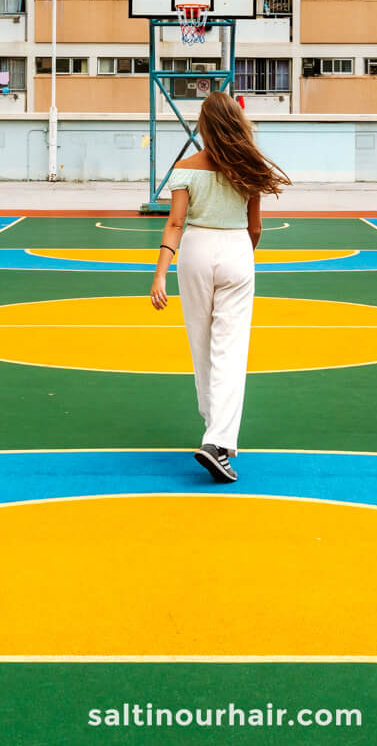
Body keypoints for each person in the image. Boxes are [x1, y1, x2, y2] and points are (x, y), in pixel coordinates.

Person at [149, 90, 289, 484]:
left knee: (202, 345)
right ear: (237, 122)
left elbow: (175, 224)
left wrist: (160, 273)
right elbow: (255, 226)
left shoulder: (185, 167)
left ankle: (215, 435)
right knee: (231, 350)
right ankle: (218, 442)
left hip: (194, 251)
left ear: (204, 126)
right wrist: (241, 254)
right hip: (236, 249)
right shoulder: (251, 167)